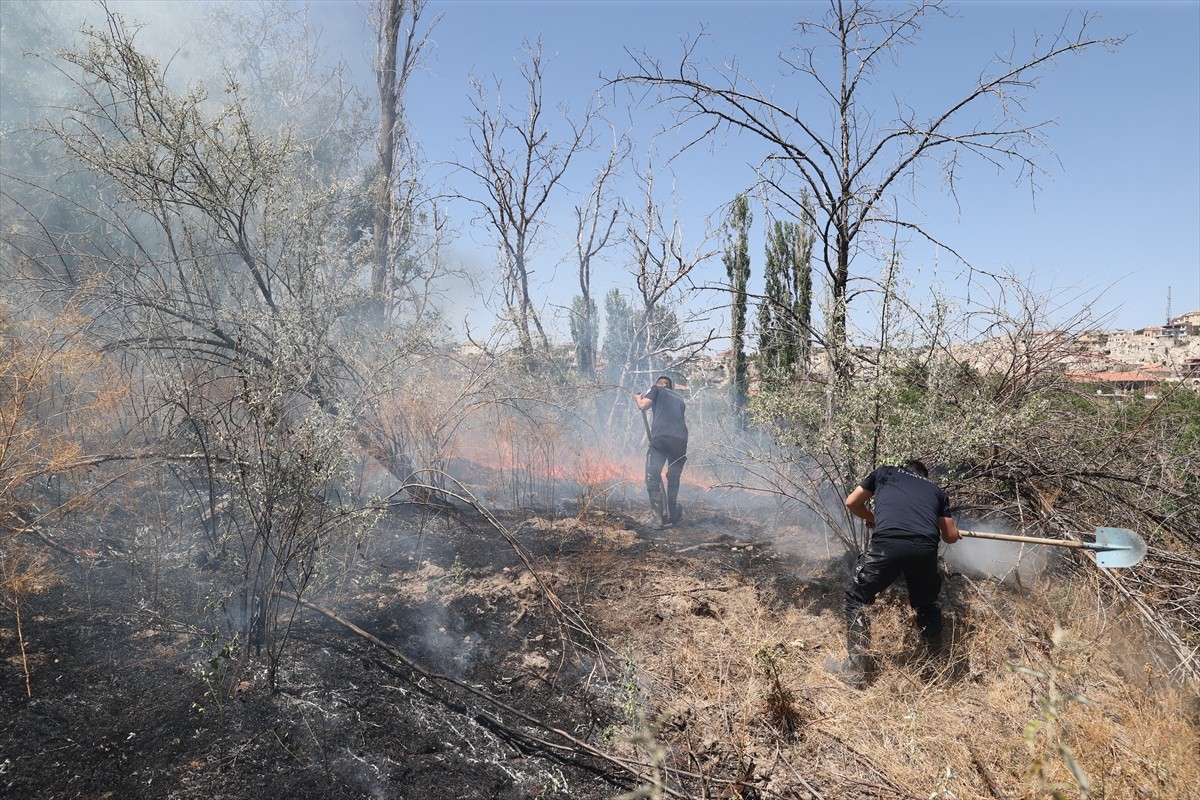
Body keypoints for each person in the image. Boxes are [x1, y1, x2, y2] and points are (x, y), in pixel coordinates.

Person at [835, 458, 962, 687]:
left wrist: (873, 518)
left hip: (889, 543)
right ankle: (935, 670)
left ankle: (855, 672)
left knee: (857, 595)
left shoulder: (886, 473)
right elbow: (950, 537)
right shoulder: (936, 490)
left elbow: (852, 502)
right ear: (924, 476)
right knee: (926, 605)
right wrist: (955, 532)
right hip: (925, 549)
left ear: (904, 469)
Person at [635, 375, 688, 529]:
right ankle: (673, 515)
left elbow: (643, 405)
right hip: (681, 441)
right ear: (671, 387)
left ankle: (657, 519)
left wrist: (638, 398)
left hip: (662, 439)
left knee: (652, 476)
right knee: (673, 477)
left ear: (660, 384)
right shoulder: (680, 398)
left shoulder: (657, 389)